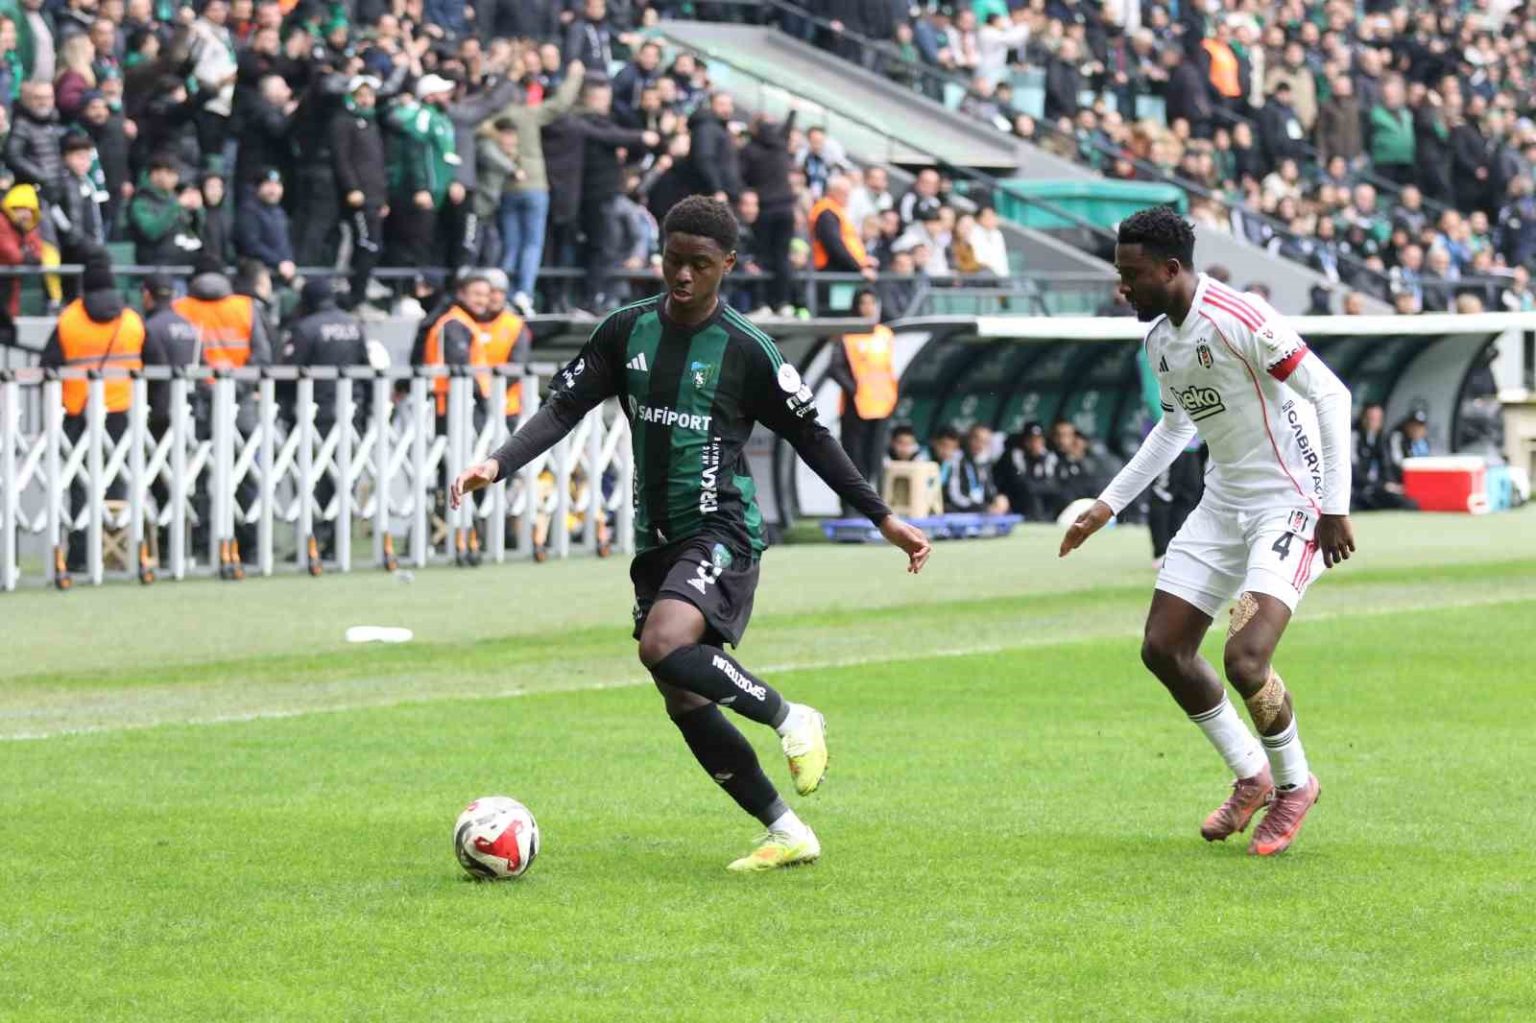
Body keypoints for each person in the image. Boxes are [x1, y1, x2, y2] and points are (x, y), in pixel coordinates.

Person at [451, 196, 931, 873]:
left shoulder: (747, 350)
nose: (682, 275)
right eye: (673, 260)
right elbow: (563, 407)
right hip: (656, 538)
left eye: (699, 264)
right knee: (680, 690)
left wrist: (881, 516)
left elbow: (812, 436)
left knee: (663, 644)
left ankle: (791, 717)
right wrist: (497, 462)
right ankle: (787, 830)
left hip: (722, 526)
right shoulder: (626, 331)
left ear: (727, 264)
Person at [1060, 206, 1355, 857]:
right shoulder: (1160, 341)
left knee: (1245, 657)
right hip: (1223, 504)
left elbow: (1331, 395)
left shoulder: (1239, 317)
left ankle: (1294, 784)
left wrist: (1334, 506)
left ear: (1171, 269)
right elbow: (1174, 427)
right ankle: (1251, 773)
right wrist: (1106, 505)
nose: (1122, 288)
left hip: (1291, 503)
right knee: (1163, 648)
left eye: (1132, 274)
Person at [38, 253, 145, 572]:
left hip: (78, 411)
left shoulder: (69, 320)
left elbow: (47, 365)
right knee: (117, 481)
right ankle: (114, 554)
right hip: (121, 410)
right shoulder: (131, 321)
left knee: (79, 485)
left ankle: (80, 556)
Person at [280, 277, 369, 560]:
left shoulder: (305, 328)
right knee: (343, 478)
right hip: (350, 412)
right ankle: (337, 542)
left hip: (313, 414)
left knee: (310, 479)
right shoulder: (354, 325)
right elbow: (365, 368)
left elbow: (288, 373)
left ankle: (313, 541)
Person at [826, 288, 897, 493]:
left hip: (882, 404)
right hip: (855, 405)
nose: (868, 308)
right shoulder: (848, 334)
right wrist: (854, 389)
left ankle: (874, 499)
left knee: (875, 456)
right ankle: (851, 503)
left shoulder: (885, 334)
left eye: (872, 303)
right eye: (863, 303)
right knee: (853, 459)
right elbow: (835, 368)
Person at [331, 74, 389, 311]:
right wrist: (352, 187)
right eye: (361, 95)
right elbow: (341, 158)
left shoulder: (373, 124)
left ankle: (360, 292)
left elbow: (378, 164)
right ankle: (355, 297)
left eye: (370, 95)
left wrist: (383, 198)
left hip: (375, 196)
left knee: (374, 246)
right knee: (367, 244)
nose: (366, 100)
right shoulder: (344, 122)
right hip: (359, 197)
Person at [475, 268, 531, 424]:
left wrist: (489, 390)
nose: (496, 297)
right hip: (473, 405)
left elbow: (517, 365)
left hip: (507, 408)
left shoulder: (515, 325)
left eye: (501, 292)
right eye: (492, 291)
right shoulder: (467, 322)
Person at [1352, 403, 1417, 512]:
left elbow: (1386, 466)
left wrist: (1391, 485)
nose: (1374, 422)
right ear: (1363, 419)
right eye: (1371, 418)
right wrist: (1381, 485)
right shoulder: (1354, 437)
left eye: (1377, 419)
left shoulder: (1381, 440)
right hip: (1358, 490)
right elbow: (1354, 471)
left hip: (1378, 490)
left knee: (1409, 504)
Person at [995, 422, 1062, 522]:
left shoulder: (1049, 457)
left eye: (1038, 440)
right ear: (1024, 441)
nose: (1035, 444)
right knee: (1030, 495)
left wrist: (1036, 486)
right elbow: (1019, 483)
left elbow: (1054, 486)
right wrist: (1038, 486)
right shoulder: (1014, 455)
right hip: (1017, 502)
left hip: (1044, 503)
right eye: (1031, 440)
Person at [945, 424, 1009, 513]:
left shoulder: (984, 462)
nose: (980, 445)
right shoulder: (956, 459)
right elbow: (955, 497)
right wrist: (983, 508)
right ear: (968, 438)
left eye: (985, 442)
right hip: (958, 513)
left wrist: (997, 500)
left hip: (979, 513)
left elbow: (989, 491)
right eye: (977, 439)